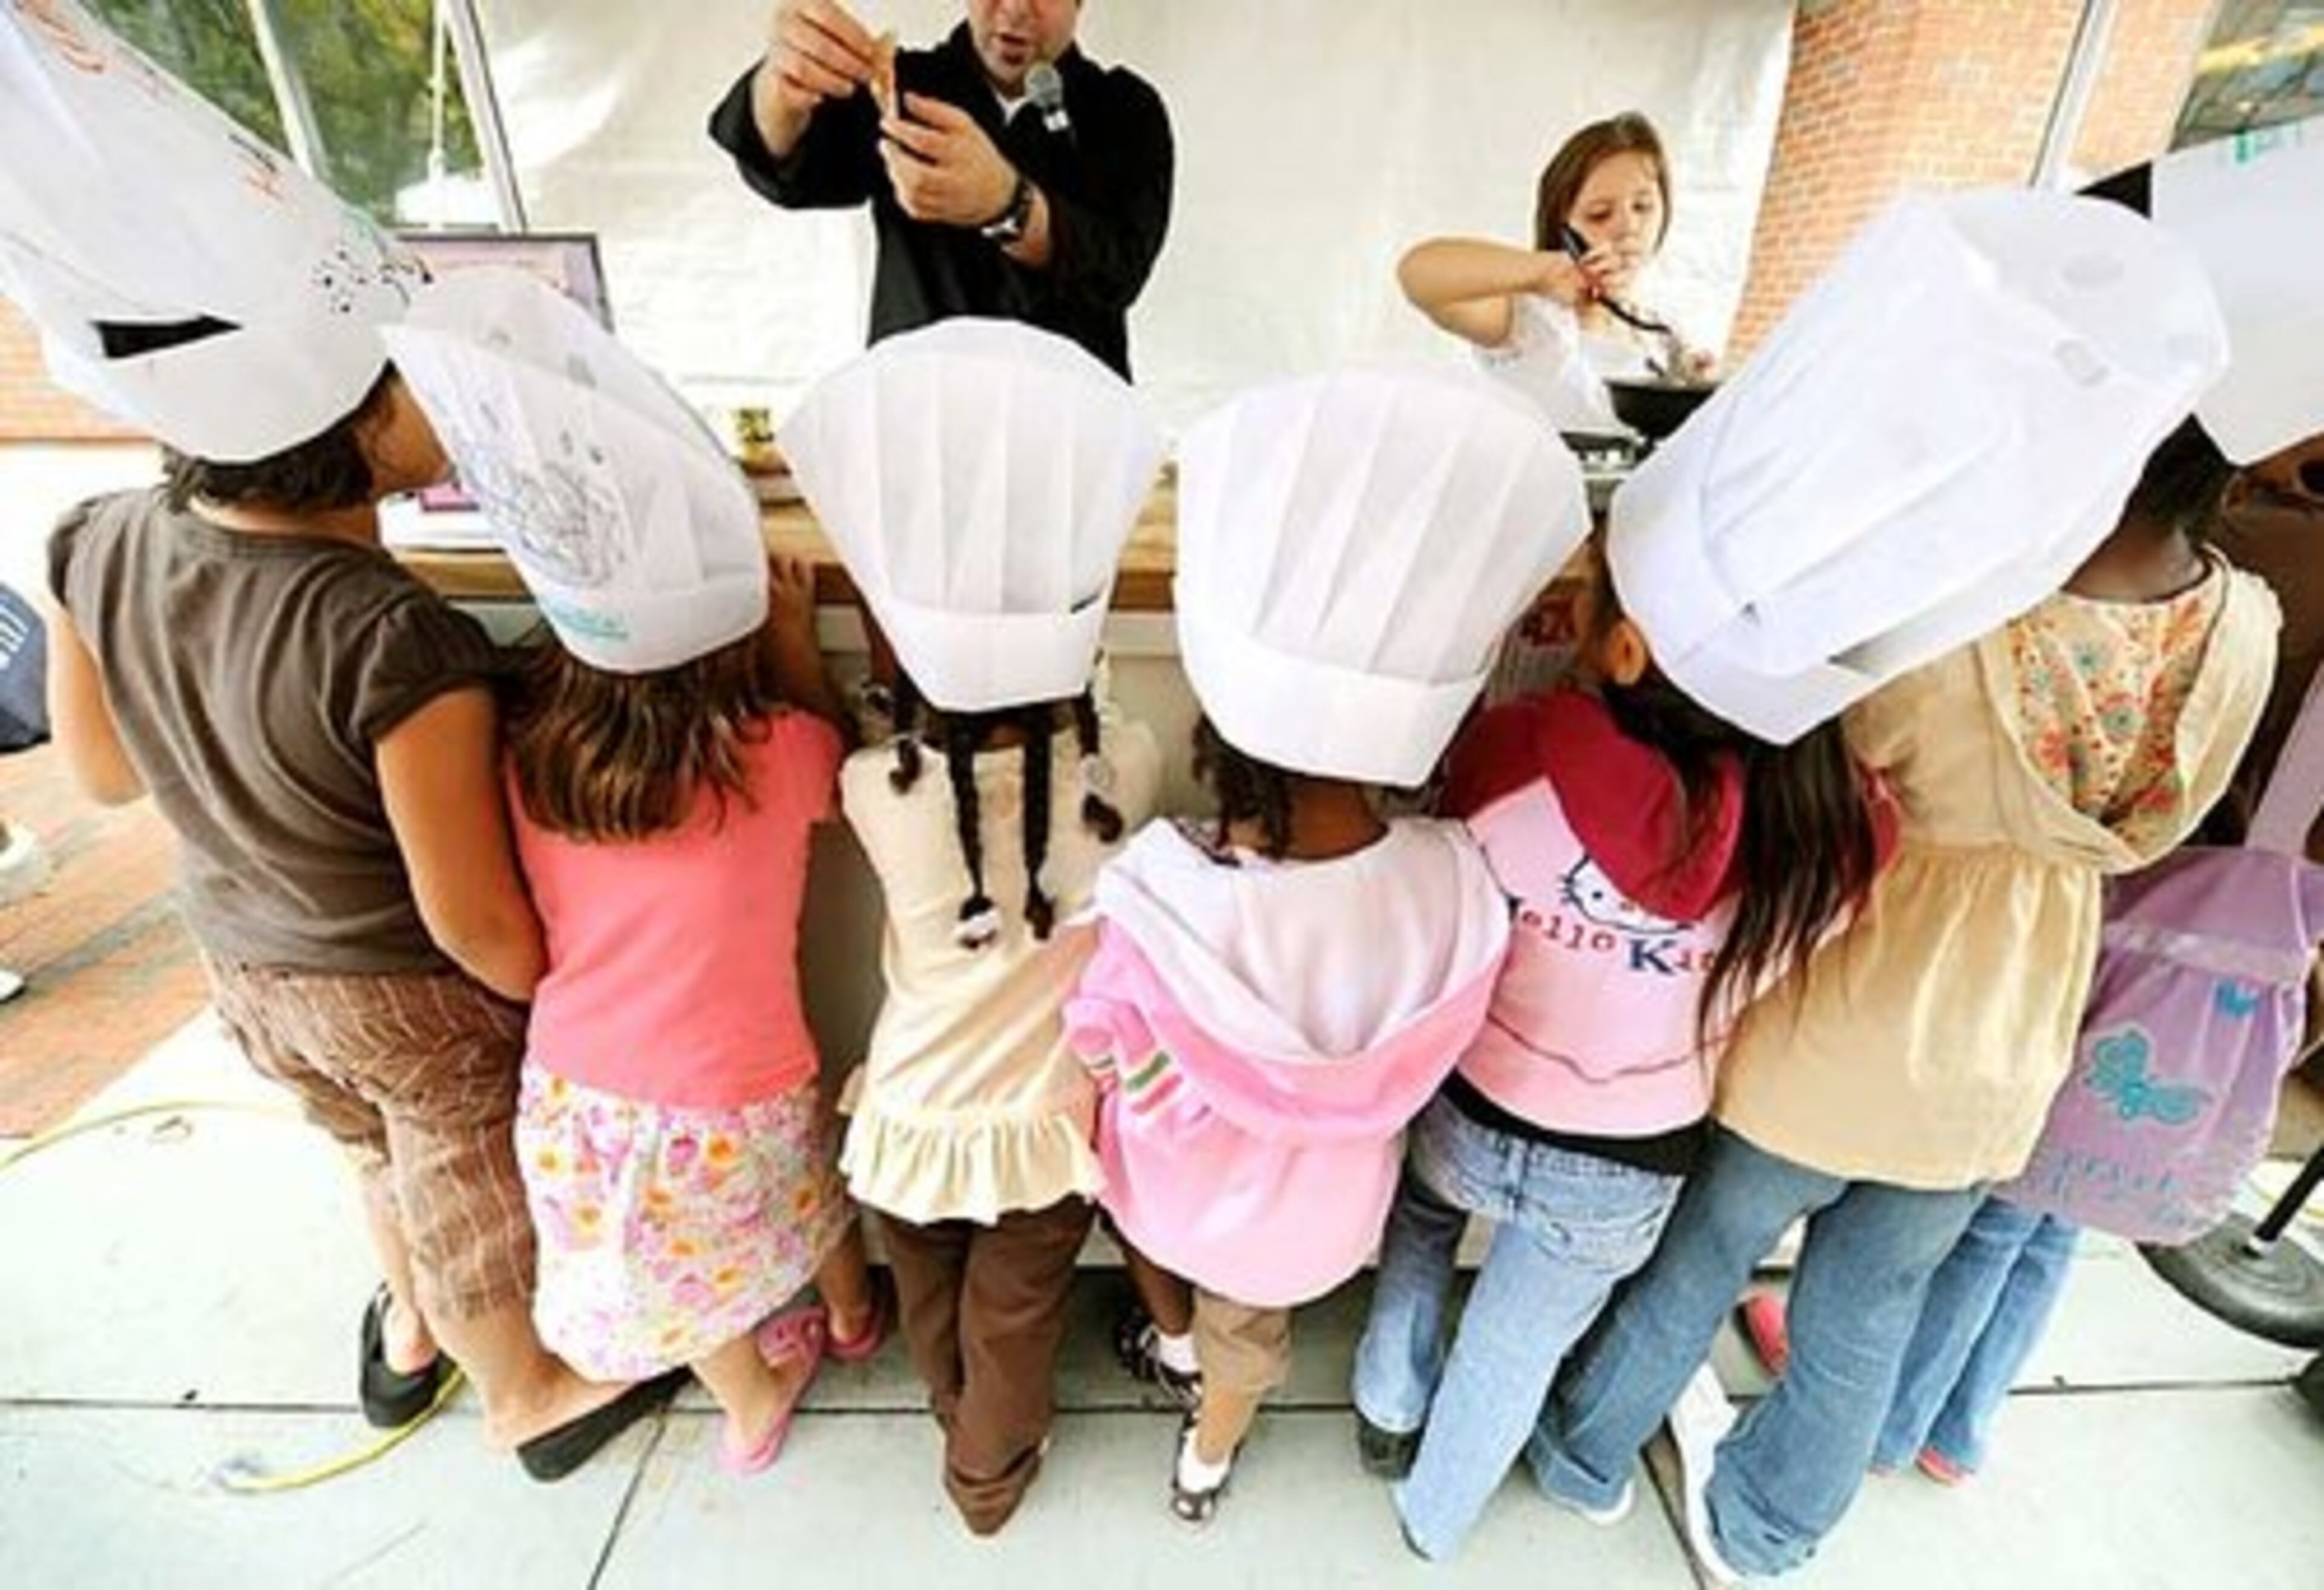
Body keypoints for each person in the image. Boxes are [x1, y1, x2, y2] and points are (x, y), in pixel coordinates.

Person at [1526, 181, 2276, 1579]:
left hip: (1850, 992)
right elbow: (2165, 829)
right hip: (2009, 1029)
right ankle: (1770, 1528)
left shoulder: (1956, 596)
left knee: (1699, 1260)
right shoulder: (2245, 621)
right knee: (1870, 1301)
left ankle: (1579, 1453)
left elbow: (1819, 734)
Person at [8, 2, 674, 1479]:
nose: (434, 391)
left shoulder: (93, 538)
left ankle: (416, 1330)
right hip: (393, 985)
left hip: (241, 965)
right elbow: (467, 913)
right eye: (407, 373)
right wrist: (559, 1011)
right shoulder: (395, 638)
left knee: (368, 1147)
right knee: (455, 1154)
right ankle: (525, 1391)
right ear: (354, 422)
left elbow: (110, 776)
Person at [384, 269, 884, 1477]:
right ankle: (847, 1326)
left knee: (685, 1277)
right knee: (797, 1183)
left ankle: (751, 1391)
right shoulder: (778, 751)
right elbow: (855, 774)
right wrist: (788, 647)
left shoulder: (526, 753)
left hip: (579, 1089)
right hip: (741, 1084)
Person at [1073, 368, 1592, 1525]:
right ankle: (1207, 1449)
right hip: (1324, 1229)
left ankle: (1176, 1355)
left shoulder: (1160, 891)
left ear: (1221, 739)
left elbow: (1102, 1050)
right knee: (1255, 1331)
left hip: (1182, 1202)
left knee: (1139, 1211)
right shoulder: (1456, 879)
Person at [1347, 528, 1891, 1562]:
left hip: (1475, 1098)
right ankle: (1435, 1517)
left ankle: (1389, 1395)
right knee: (1518, 1340)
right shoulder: (1835, 832)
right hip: (1631, 1154)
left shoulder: (1511, 753)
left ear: (1627, 648)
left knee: (1419, 1216)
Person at [780, 318, 1166, 1534]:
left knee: (935, 1290)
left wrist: (799, 640)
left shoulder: (881, 788)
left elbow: (838, 738)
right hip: (1039, 1127)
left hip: (907, 1110)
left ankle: (956, 1415)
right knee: (1017, 1312)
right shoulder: (1123, 772)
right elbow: (1107, 724)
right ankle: (984, 1475)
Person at [709, 0, 1173, 378]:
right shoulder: (900, 85)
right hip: (913, 425)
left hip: (1073, 432)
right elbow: (792, 170)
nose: (1014, 9)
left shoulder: (1127, 109)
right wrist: (782, 89)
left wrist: (1008, 205)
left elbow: (1119, 269)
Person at [1397, 112, 1707, 436]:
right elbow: (1417, 272)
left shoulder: (1660, 332)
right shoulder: (1531, 319)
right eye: (1600, 215)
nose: (1629, 227)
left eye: (1643, 207)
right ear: (1564, 229)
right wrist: (1546, 271)